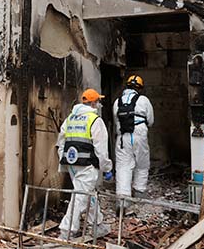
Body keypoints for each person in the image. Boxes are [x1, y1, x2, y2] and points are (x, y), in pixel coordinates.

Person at [56, 88, 113, 240]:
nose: (99, 104)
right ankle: (66, 230)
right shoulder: (95, 120)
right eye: (98, 101)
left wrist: (64, 160)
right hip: (87, 164)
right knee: (80, 195)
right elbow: (101, 149)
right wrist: (107, 168)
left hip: (72, 163)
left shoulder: (70, 119)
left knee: (87, 193)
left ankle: (97, 224)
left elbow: (61, 142)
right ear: (93, 103)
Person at [113, 75, 154, 203]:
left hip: (123, 137)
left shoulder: (117, 102)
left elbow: (116, 122)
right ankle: (139, 191)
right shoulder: (144, 100)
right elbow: (151, 121)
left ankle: (123, 200)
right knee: (142, 164)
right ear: (140, 88)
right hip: (139, 134)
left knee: (123, 166)